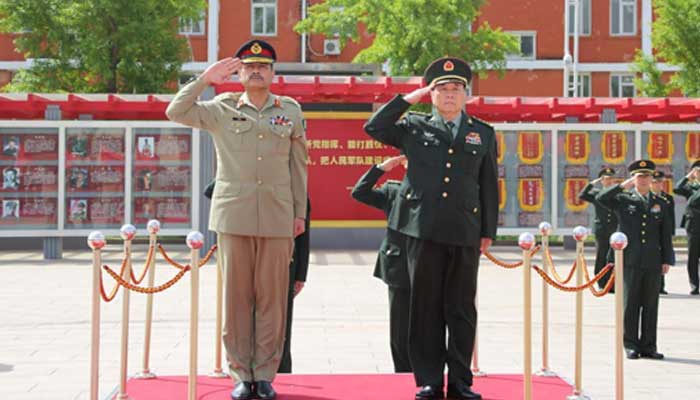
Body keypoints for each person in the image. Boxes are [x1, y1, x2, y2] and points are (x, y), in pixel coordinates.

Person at [166, 39, 307, 400]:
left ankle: (265, 374)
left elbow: (298, 167)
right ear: (239, 73)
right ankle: (241, 374)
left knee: (273, 299)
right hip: (234, 215)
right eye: (248, 66)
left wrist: (299, 213)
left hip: (277, 216)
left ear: (273, 73)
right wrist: (204, 79)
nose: (256, 70)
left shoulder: (289, 111)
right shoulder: (219, 108)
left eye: (263, 66)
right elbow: (176, 111)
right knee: (236, 298)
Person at [364, 57, 498, 400]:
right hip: (420, 229)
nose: (450, 95)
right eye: (442, 89)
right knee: (424, 307)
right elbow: (375, 127)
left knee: (462, 308)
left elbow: (488, 185)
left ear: (466, 94)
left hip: (465, 229)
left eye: (456, 89)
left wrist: (488, 231)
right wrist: (411, 97)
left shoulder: (482, 133)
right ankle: (427, 379)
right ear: (431, 94)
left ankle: (460, 381)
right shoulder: (414, 127)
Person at [597, 160, 673, 360]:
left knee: (650, 304)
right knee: (630, 303)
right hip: (629, 259)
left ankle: (649, 345)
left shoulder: (661, 203)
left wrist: (667, 259)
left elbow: (665, 234)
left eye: (647, 175)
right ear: (634, 178)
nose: (644, 179)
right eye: (640, 176)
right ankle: (630, 344)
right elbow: (601, 197)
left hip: (652, 259)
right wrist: (623, 185)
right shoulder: (624, 199)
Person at [351, 155, 412, 373]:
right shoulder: (392, 191)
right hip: (400, 264)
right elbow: (359, 192)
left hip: (430, 262)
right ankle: (403, 372)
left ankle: (429, 372)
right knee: (400, 327)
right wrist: (381, 169)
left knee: (428, 325)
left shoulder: (439, 190)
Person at [278, 198, 311, 374]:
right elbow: (211, 191)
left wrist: (300, 275)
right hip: (252, 260)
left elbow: (304, 237)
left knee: (282, 325)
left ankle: (282, 371)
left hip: (286, 264)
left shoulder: (297, 192)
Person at [578, 166, 618, 292]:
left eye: (611, 178)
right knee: (602, 255)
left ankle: (613, 283)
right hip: (601, 229)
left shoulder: (617, 193)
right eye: (606, 179)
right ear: (601, 181)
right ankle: (601, 281)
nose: (609, 181)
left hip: (615, 229)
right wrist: (591, 184)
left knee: (614, 257)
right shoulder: (596, 193)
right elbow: (582, 195)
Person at [673, 160, 700, 295]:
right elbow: (677, 188)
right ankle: (695, 285)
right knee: (693, 257)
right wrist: (688, 177)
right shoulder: (691, 187)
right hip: (694, 226)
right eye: (698, 171)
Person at [651, 170, 675, 295]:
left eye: (660, 182)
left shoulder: (667, 198)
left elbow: (670, 217)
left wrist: (671, 232)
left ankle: (661, 285)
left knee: (663, 258)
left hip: (663, 232)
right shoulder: (647, 198)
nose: (657, 184)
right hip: (652, 232)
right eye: (655, 182)